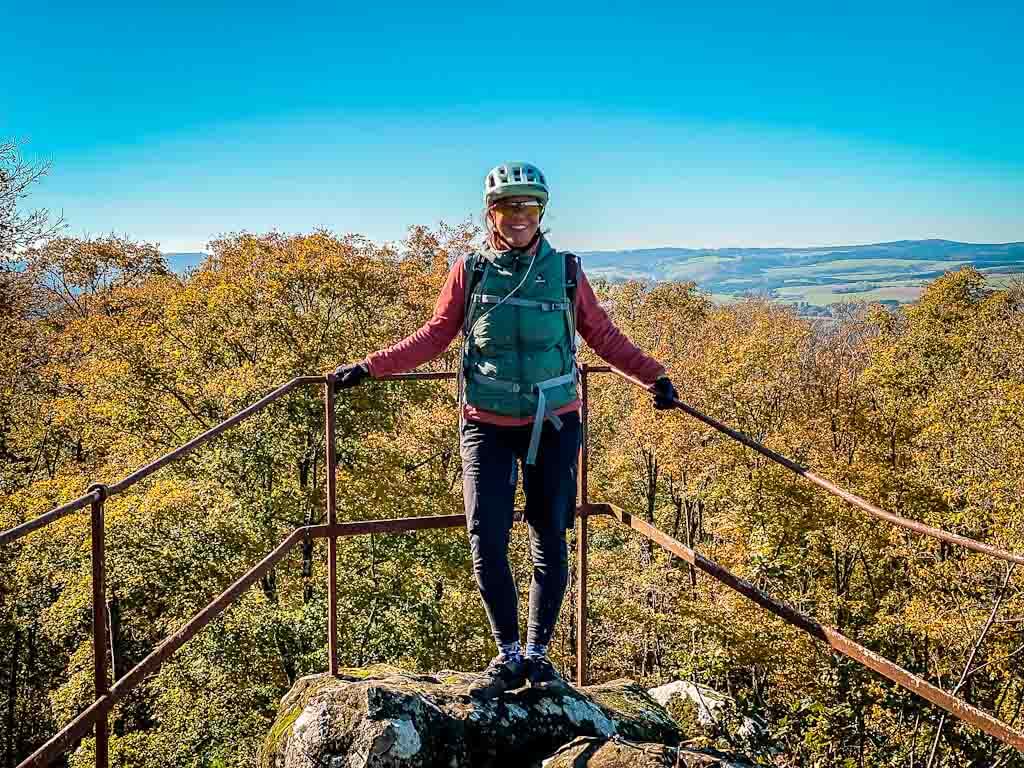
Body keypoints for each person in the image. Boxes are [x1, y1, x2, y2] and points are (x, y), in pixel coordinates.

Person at [334, 161, 677, 699]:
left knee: (549, 534)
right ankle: (508, 653)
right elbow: (435, 334)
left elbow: (603, 335)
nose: (519, 215)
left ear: (542, 212)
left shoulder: (565, 270)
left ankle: (537, 655)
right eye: (508, 206)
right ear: (490, 212)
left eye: (529, 206)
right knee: (486, 537)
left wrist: (654, 375)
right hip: (485, 424)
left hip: (554, 421)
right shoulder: (470, 270)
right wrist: (370, 366)